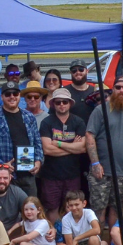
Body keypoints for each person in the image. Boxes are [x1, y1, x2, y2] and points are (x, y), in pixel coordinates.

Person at [86, 76, 123, 227]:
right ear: (112, 90)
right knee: (98, 211)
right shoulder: (100, 111)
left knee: (117, 210)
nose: (121, 90)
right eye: (118, 87)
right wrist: (95, 163)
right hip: (102, 171)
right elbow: (90, 135)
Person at [0, 82, 43, 197]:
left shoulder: (29, 117)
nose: (12, 96)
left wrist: (38, 161)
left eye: (15, 93)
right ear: (1, 97)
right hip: (6, 178)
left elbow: (37, 142)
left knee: (30, 211)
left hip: (28, 175)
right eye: (8, 94)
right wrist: (1, 166)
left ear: (19, 95)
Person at [39, 88, 88, 223]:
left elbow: (83, 148)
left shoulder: (78, 122)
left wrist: (59, 144)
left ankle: (70, 238)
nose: (61, 104)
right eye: (58, 102)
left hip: (72, 174)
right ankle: (56, 237)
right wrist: (72, 146)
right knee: (52, 208)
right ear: (53, 104)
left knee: (72, 208)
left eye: (64, 102)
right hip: (51, 175)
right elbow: (47, 149)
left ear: (70, 104)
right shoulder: (46, 122)